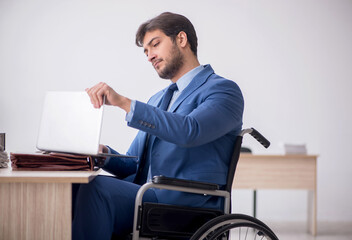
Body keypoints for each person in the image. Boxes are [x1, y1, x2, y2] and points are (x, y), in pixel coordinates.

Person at [72, 12, 244, 240]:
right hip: (149, 195)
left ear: (181, 40)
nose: (150, 56)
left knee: (96, 189)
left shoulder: (223, 90)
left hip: (187, 203)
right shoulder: (158, 99)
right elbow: (134, 165)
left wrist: (123, 103)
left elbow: (190, 130)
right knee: (73, 186)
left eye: (155, 45)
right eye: (145, 51)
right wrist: (103, 153)